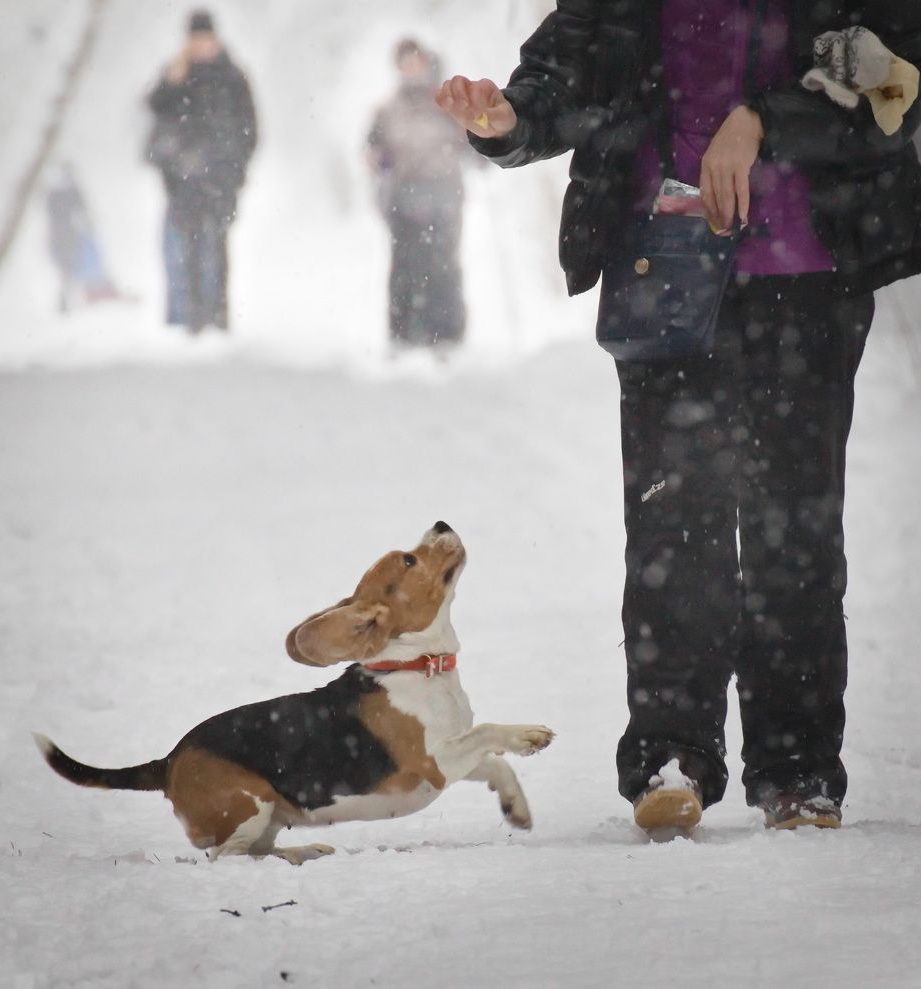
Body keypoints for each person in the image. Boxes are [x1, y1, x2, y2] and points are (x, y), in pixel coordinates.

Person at [437, 2, 921, 833]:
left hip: (806, 271)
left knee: (794, 528)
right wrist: (511, 116)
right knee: (673, 525)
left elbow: (896, 76)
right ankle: (672, 757)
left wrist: (762, 120)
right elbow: (571, 68)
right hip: (661, 266)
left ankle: (798, 769)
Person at [146, 9, 256, 334]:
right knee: (190, 245)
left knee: (218, 242)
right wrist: (173, 78)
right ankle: (194, 317)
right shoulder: (179, 74)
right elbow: (155, 107)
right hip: (184, 177)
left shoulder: (232, 76)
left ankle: (219, 314)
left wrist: (235, 167)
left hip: (221, 176)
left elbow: (249, 128)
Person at [367, 39, 473, 354]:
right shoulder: (387, 110)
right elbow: (374, 150)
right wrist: (380, 162)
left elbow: (471, 141)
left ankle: (447, 337)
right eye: (405, 64)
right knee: (405, 269)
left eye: (416, 62)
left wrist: (479, 146)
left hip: (444, 198)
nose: (412, 69)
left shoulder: (448, 105)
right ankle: (404, 336)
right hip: (405, 199)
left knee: (443, 268)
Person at [45, 163, 119, 313]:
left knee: (70, 268)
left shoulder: (55, 193)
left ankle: (69, 300)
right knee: (74, 266)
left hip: (65, 235)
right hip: (69, 235)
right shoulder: (68, 192)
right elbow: (83, 211)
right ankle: (70, 300)